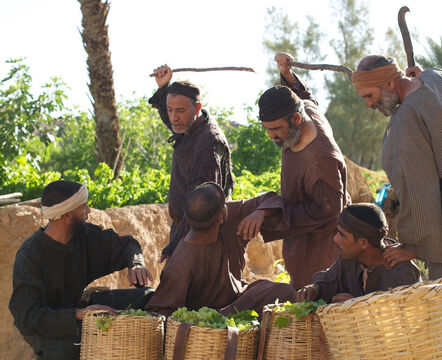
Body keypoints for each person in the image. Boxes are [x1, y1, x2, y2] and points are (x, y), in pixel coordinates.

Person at [351, 55, 442, 356]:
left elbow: (418, 186)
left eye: (369, 96)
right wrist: (426, 79)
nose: (369, 105)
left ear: (388, 81)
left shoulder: (405, 120)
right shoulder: (439, 77)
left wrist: (415, 244)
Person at [9, 180, 154, 360]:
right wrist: (78, 315)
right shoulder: (29, 255)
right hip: (50, 327)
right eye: (83, 206)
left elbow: (127, 244)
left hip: (82, 309)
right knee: (68, 350)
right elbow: (26, 316)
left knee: (149, 296)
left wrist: (136, 263)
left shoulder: (83, 235)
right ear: (67, 214)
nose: (89, 211)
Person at [256, 52, 349, 290]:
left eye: (276, 129)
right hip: (300, 239)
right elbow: (305, 97)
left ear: (296, 119)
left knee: (316, 299)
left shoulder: (319, 160)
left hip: (322, 248)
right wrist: (287, 75)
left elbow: (329, 211)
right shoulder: (308, 112)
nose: (271, 136)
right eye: (267, 129)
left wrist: (273, 215)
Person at [145, 182, 297, 317]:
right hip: (209, 320)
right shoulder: (181, 261)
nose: (227, 205)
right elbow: (159, 311)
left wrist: (260, 213)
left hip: (239, 299)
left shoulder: (230, 215)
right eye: (224, 204)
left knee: (285, 292)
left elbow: (273, 199)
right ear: (219, 218)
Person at [149, 65, 234, 262]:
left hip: (201, 234)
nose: (173, 117)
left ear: (197, 108)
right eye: (170, 110)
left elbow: (201, 207)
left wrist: (174, 248)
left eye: (180, 110)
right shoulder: (189, 125)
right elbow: (174, 121)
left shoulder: (208, 144)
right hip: (185, 229)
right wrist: (164, 87)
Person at [297, 203, 420, 303]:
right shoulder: (349, 259)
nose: (335, 239)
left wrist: (358, 306)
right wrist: (315, 289)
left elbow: (404, 319)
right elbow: (329, 280)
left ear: (363, 243)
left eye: (342, 235)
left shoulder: (402, 273)